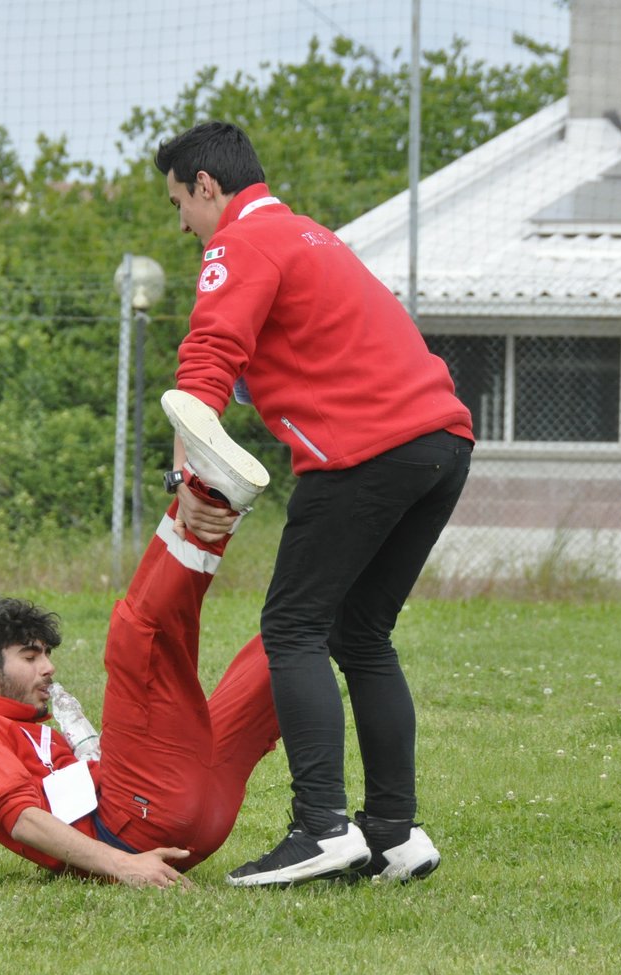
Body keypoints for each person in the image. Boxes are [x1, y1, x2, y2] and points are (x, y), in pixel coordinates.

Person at [153, 121, 474, 886]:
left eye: (179, 205)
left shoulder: (239, 242)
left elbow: (208, 354)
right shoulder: (310, 235)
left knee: (292, 626)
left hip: (368, 450)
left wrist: (187, 475)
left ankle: (322, 826)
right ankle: (394, 834)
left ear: (207, 185)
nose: (183, 226)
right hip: (442, 443)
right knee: (360, 632)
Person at [0, 482, 283, 888]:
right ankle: (206, 494)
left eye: (47, 655)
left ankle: (354, 565)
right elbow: (23, 820)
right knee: (137, 641)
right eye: (31, 658)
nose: (49, 668)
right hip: (131, 829)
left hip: (189, 824)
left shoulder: (39, 736)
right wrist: (124, 865)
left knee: (281, 650)